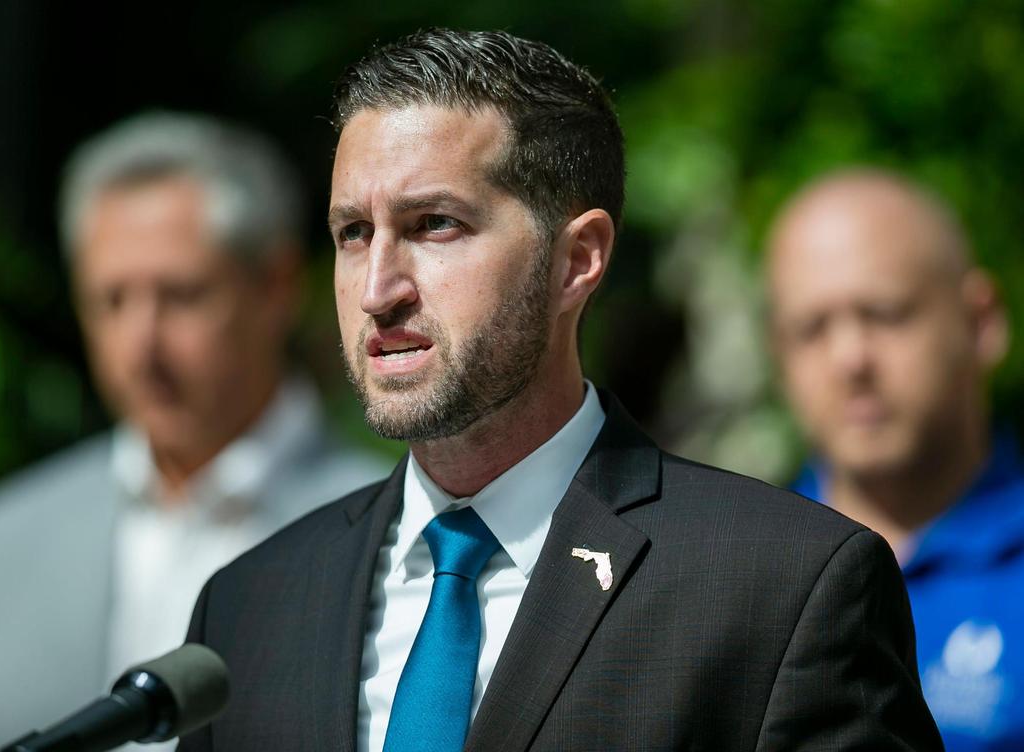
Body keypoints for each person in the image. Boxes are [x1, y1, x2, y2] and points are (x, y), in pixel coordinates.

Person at [178, 30, 942, 751]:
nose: (378, 289)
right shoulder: (248, 609)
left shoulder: (784, 590)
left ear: (577, 260)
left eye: (434, 224)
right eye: (353, 232)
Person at [0, 112, 388, 752]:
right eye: (112, 300)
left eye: (180, 295)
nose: (141, 344)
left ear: (276, 286)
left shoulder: (397, 530)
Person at [766, 168, 1023, 751]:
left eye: (886, 313)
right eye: (812, 328)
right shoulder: (732, 570)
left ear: (981, 322)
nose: (850, 358)